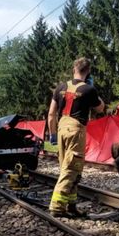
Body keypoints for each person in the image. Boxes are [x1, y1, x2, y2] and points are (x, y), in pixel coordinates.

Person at [47, 57, 105, 217]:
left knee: (68, 168)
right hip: (76, 129)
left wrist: (52, 134)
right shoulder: (89, 89)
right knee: (72, 168)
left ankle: (71, 205)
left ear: (74, 69)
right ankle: (57, 206)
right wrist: (94, 92)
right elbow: (100, 108)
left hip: (61, 128)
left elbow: (51, 114)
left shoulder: (60, 87)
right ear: (88, 71)